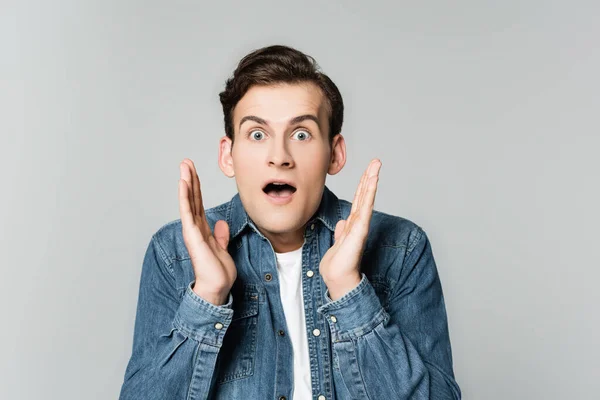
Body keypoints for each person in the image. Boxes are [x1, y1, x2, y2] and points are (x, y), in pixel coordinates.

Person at [119, 44, 461, 400]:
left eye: (301, 135)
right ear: (228, 155)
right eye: (257, 134)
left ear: (335, 152)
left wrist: (349, 290)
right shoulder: (173, 252)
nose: (279, 157)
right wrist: (207, 297)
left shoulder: (401, 247)